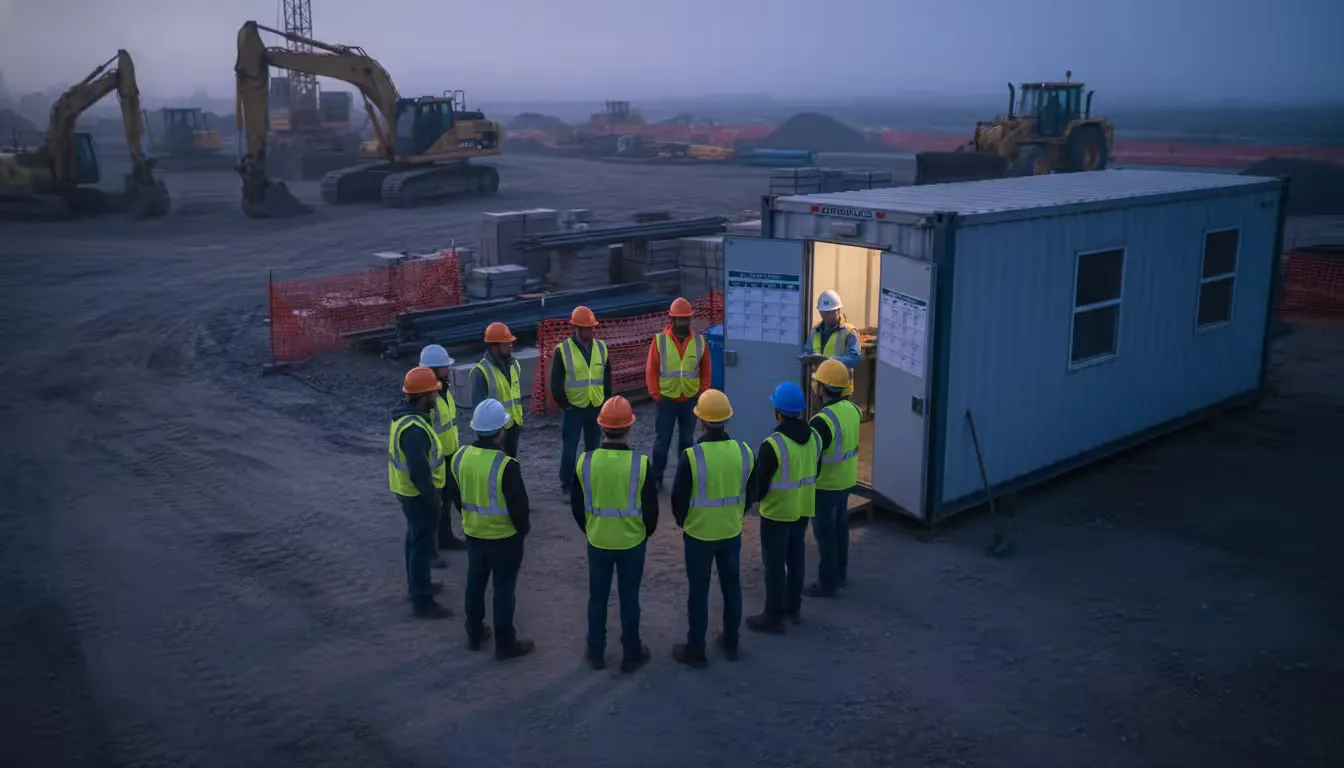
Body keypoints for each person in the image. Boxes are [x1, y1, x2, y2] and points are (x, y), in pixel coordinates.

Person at [669, 389, 756, 668]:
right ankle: (731, 642)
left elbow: (678, 499)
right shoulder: (744, 452)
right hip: (731, 531)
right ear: (726, 420)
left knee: (699, 591)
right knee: (732, 588)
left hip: (699, 535)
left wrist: (684, 521)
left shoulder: (692, 457)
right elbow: (749, 494)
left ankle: (696, 649)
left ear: (701, 421)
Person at [570, 396, 657, 673]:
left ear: (601, 426)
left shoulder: (585, 462)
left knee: (598, 597)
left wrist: (591, 527)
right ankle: (631, 652)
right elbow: (651, 511)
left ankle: (596, 651)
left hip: (598, 540)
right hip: (632, 542)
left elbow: (576, 505)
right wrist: (642, 533)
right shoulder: (640, 465)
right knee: (630, 598)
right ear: (629, 428)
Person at [446, 399, 535, 660]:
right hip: (505, 539)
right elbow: (519, 508)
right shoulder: (506, 465)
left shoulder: (460, 457)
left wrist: (468, 517)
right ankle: (505, 643)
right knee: (503, 589)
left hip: (474, 534)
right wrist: (522, 531)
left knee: (475, 584)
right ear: (501, 431)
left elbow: (454, 493)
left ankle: (474, 633)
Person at [745, 381, 821, 634]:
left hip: (777, 513)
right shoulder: (815, 438)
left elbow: (761, 485)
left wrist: (750, 499)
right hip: (802, 510)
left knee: (775, 565)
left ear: (778, 412)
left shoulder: (773, 444)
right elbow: (816, 471)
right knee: (796, 559)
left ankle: (773, 616)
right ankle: (793, 608)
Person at [387, 366, 451, 619]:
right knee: (421, 544)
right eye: (433, 393)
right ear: (424, 396)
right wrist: (432, 495)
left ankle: (419, 585)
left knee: (415, 541)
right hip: (418, 494)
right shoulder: (414, 429)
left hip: (408, 492)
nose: (436, 397)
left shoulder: (407, 420)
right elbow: (419, 471)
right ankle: (422, 600)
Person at [803, 360, 861, 598]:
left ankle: (827, 582)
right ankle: (840, 573)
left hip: (826, 485)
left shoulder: (821, 420)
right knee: (840, 528)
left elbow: (813, 457)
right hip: (847, 481)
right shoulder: (854, 410)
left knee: (825, 533)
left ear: (822, 388)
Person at [646, 297, 711, 491]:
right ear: (672, 320)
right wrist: (656, 394)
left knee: (686, 442)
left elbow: (706, 369)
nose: (684, 323)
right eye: (680, 319)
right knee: (662, 442)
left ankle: (684, 480)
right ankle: (656, 479)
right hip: (666, 400)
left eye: (686, 319)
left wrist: (703, 393)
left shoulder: (699, 342)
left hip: (689, 400)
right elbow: (651, 370)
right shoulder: (660, 341)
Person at [551, 306, 612, 494]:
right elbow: (556, 383)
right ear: (576, 328)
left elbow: (607, 377)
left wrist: (606, 402)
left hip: (595, 405)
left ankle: (589, 480)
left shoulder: (601, 348)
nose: (590, 331)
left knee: (593, 449)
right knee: (570, 449)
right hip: (573, 408)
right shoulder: (563, 351)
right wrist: (565, 406)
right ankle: (567, 483)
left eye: (592, 328)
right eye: (587, 328)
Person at [420, 344, 467, 556]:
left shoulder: (443, 390)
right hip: (436, 460)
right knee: (434, 505)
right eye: (445, 367)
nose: (448, 370)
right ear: (434, 369)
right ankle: (431, 549)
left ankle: (445, 537)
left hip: (449, 456)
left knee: (448, 499)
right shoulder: (426, 397)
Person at [471, 322, 524, 459]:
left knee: (511, 465)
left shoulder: (514, 365)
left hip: (512, 427)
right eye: (506, 343)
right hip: (495, 432)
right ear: (494, 346)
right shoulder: (481, 372)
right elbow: (478, 410)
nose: (511, 346)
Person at [802, 290, 860, 397]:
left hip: (841, 390)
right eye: (824, 313)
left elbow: (854, 359)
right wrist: (806, 357)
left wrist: (828, 360)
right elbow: (807, 352)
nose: (827, 316)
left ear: (838, 310)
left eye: (831, 312)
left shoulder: (849, 332)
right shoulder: (815, 331)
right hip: (819, 389)